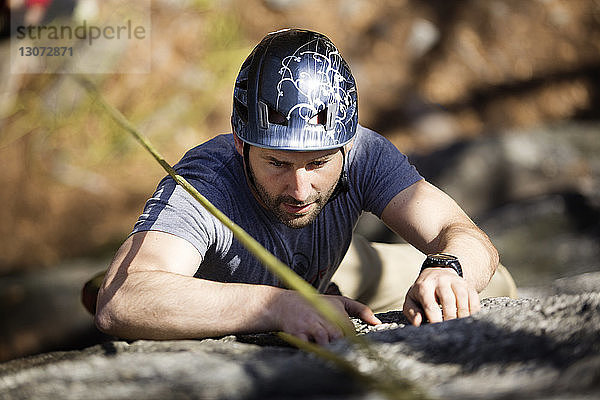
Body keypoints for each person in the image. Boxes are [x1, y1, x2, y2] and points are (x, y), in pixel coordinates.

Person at [94, 29, 516, 345]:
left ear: (345, 146)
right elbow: (122, 301)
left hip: (335, 267)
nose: (299, 189)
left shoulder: (362, 152)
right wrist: (279, 305)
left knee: (492, 284)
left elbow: (462, 235)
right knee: (115, 285)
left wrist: (448, 269)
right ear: (241, 143)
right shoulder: (206, 182)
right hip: (234, 277)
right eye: (277, 162)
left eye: (318, 164)